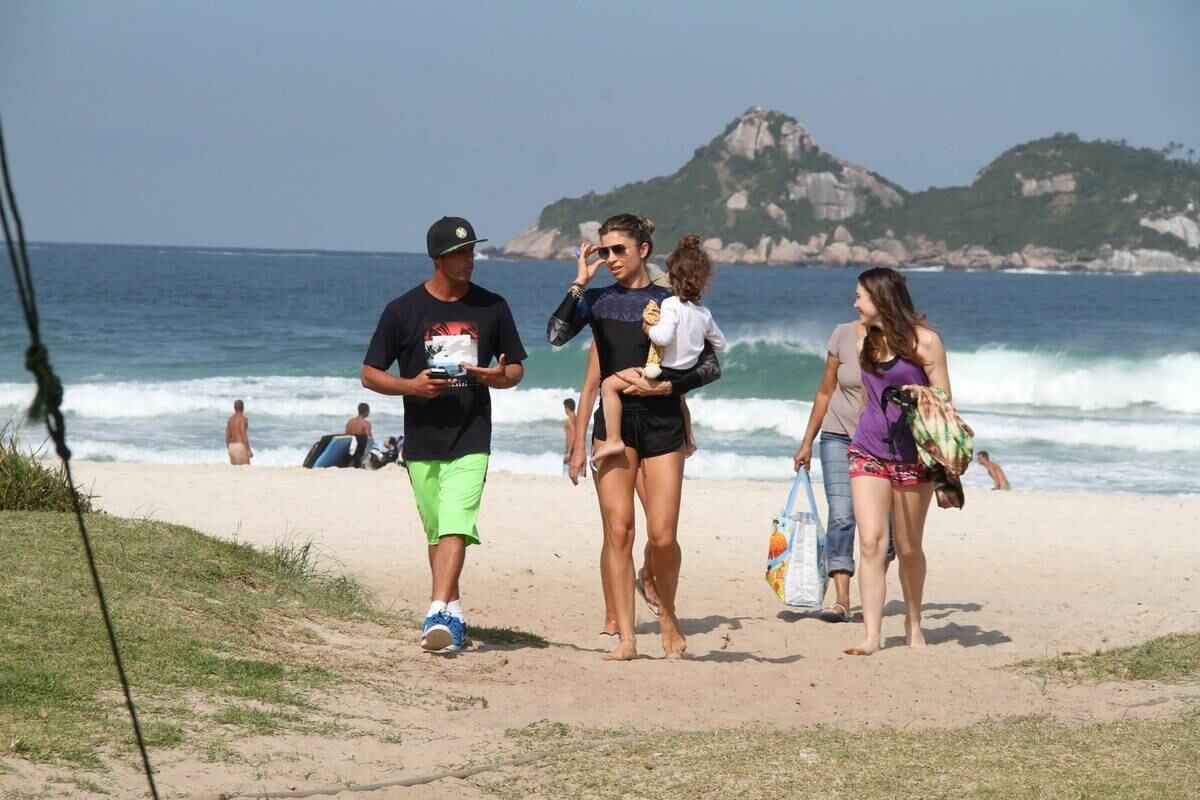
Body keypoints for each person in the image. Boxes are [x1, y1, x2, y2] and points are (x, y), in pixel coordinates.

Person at [548, 213, 720, 660]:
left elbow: (710, 365)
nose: (610, 259)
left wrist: (669, 386)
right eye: (603, 251)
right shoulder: (599, 299)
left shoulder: (672, 300)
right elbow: (556, 334)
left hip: (663, 422)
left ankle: (667, 613)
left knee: (662, 537)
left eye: (617, 250)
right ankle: (627, 637)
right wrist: (580, 282)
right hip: (616, 425)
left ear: (643, 249)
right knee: (619, 531)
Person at [361, 216, 526, 654]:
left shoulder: (493, 307)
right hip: (422, 440)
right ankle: (454, 613)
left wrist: (496, 377)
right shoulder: (403, 310)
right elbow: (369, 374)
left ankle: (436, 610)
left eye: (471, 251)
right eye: (460, 253)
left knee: (457, 521)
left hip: (472, 436)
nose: (470, 260)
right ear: (438, 259)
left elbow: (515, 370)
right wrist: (411, 386)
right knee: (437, 533)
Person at [844, 267, 951, 656]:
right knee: (871, 543)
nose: (855, 303)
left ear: (880, 298)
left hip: (912, 457)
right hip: (868, 450)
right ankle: (872, 635)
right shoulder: (864, 344)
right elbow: (866, 400)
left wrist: (916, 397)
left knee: (908, 547)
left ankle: (914, 622)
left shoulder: (926, 342)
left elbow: (944, 403)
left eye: (860, 296)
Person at [793, 319, 895, 623]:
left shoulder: (899, 338)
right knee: (840, 514)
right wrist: (807, 441)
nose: (855, 304)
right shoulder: (842, 334)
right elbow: (826, 391)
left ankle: (872, 590)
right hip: (837, 436)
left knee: (884, 526)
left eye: (861, 297)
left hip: (881, 441)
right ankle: (841, 600)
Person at [591, 235, 725, 465]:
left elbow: (662, 338)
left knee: (609, 385)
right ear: (703, 281)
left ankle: (613, 439)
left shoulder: (671, 304)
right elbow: (720, 343)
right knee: (680, 401)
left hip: (663, 371)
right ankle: (689, 440)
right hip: (685, 373)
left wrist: (649, 327)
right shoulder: (703, 313)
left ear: (671, 275)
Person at [225, 399, 252, 465]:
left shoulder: (230, 419)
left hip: (231, 447)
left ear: (234, 408)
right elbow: (243, 434)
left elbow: (227, 436)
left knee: (235, 471)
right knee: (246, 469)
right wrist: (248, 450)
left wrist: (229, 448)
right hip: (240, 446)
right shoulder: (243, 419)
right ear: (243, 408)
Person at [562, 398, 577, 476]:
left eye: (564, 407)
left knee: (567, 473)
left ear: (567, 407)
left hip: (571, 450)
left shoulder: (570, 420)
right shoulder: (577, 418)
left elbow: (573, 435)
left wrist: (568, 452)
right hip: (576, 449)